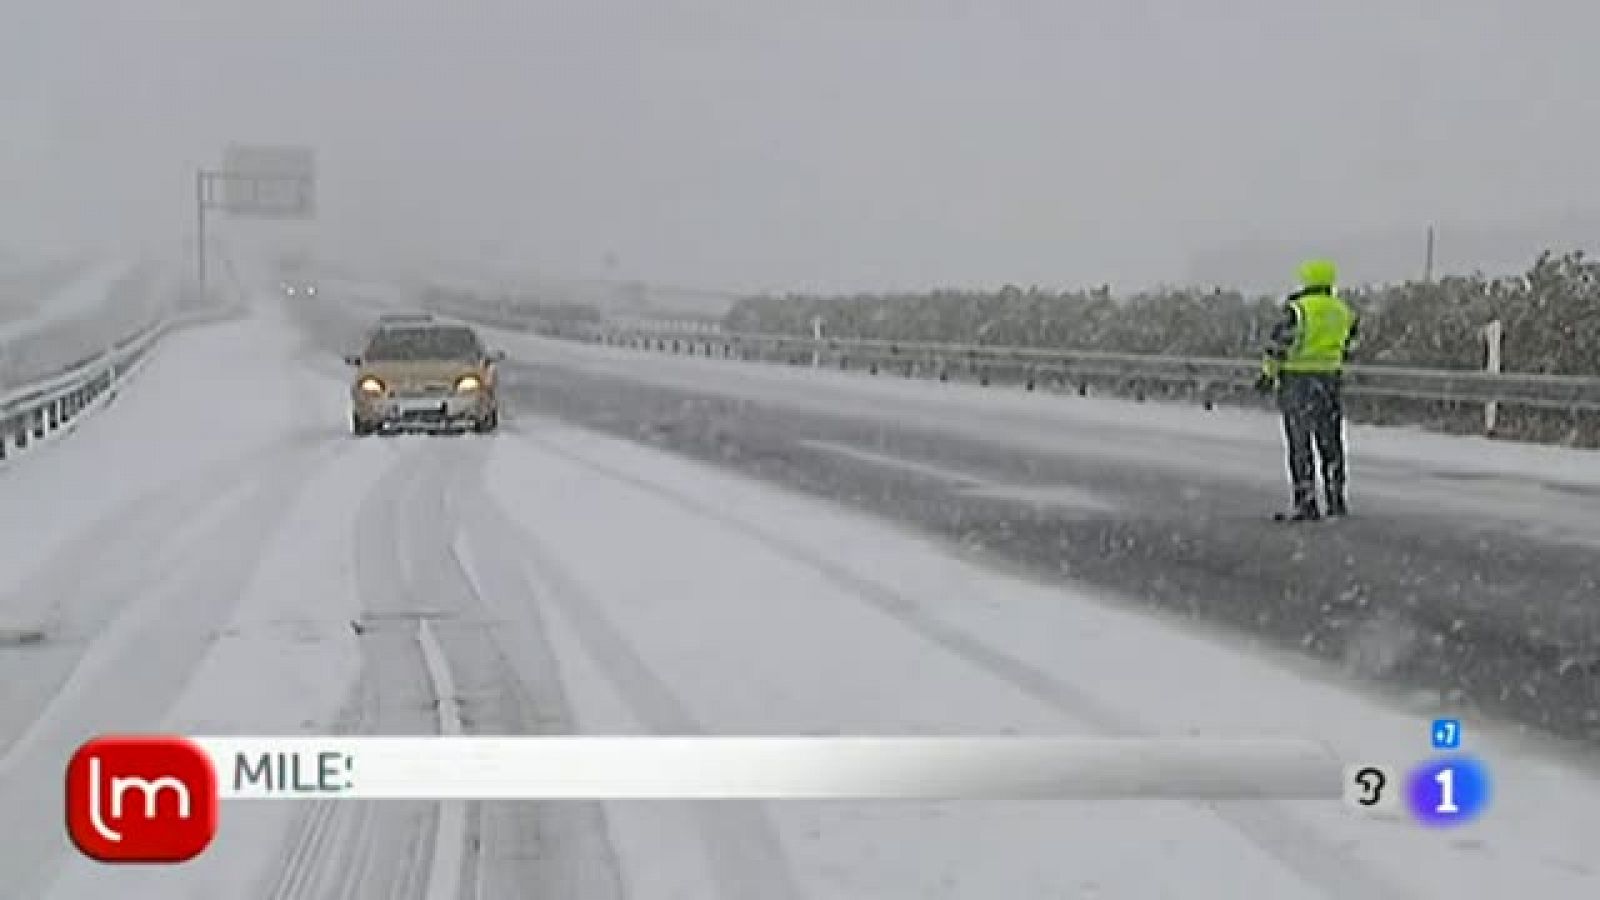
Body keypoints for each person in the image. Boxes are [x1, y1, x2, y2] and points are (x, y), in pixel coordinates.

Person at [1256, 259, 1360, 520]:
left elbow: (1278, 346)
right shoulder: (1343, 310)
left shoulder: (1297, 310)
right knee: (1331, 442)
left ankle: (1306, 501)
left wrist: (1268, 374)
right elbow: (1351, 342)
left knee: (1300, 444)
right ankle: (1336, 498)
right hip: (1329, 381)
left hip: (1297, 381)